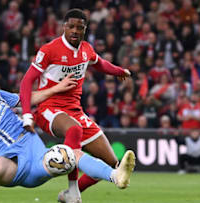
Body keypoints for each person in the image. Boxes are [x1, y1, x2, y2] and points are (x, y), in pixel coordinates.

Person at [0, 76, 135, 203]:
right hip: (11, 166)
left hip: (36, 156)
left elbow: (26, 99)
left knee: (68, 155)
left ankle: (115, 176)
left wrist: (56, 89)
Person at [19, 8, 131, 203]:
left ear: (85, 29)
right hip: (48, 109)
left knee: (112, 163)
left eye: (80, 27)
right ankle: (74, 192)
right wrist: (27, 114)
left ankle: (72, 192)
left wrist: (119, 71)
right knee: (74, 130)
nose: (75, 31)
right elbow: (27, 81)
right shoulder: (49, 50)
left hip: (75, 111)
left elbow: (100, 63)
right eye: (71, 26)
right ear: (64, 27)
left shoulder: (86, 49)